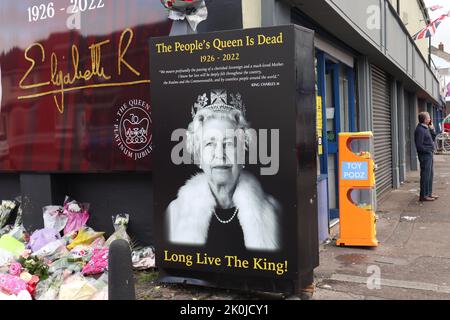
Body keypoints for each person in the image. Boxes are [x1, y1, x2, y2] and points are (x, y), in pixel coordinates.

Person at [166, 90, 281, 252]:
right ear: (198, 157)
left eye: (229, 143)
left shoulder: (272, 210)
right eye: (209, 144)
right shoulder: (175, 212)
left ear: (243, 152)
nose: (219, 154)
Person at [414, 112, 439, 202]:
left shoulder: (426, 128)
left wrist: (432, 129)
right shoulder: (420, 130)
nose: (430, 119)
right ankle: (423, 195)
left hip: (429, 154)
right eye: (428, 118)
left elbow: (433, 138)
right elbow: (419, 146)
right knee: (425, 175)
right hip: (425, 155)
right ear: (424, 120)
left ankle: (429, 193)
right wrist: (428, 150)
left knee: (430, 175)